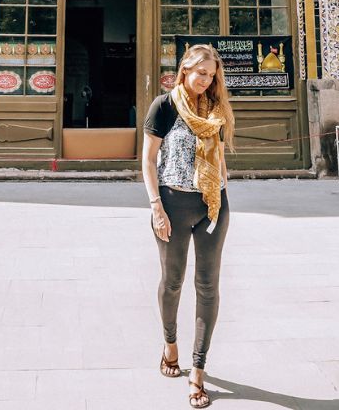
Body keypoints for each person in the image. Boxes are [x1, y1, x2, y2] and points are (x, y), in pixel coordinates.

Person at [142, 44, 235, 409]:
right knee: (173, 280)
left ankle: (198, 368)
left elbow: (220, 155)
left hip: (212, 205)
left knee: (208, 285)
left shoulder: (216, 109)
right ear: (184, 70)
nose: (205, 80)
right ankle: (170, 345)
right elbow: (148, 160)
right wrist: (156, 208)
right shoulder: (164, 106)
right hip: (173, 202)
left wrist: (223, 195)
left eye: (211, 75)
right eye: (200, 72)